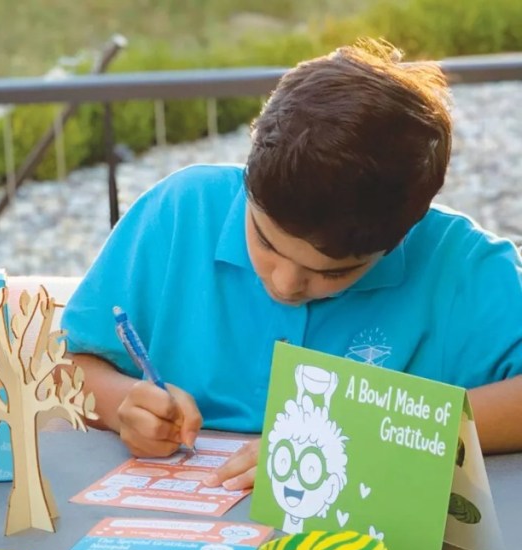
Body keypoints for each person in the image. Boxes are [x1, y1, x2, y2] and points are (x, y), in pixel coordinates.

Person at [61, 39, 522, 489]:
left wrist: (380, 434)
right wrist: (123, 404)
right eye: (265, 242)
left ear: (404, 234)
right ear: (249, 175)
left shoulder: (459, 263)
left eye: (333, 273)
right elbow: (67, 364)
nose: (285, 284)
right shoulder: (181, 212)